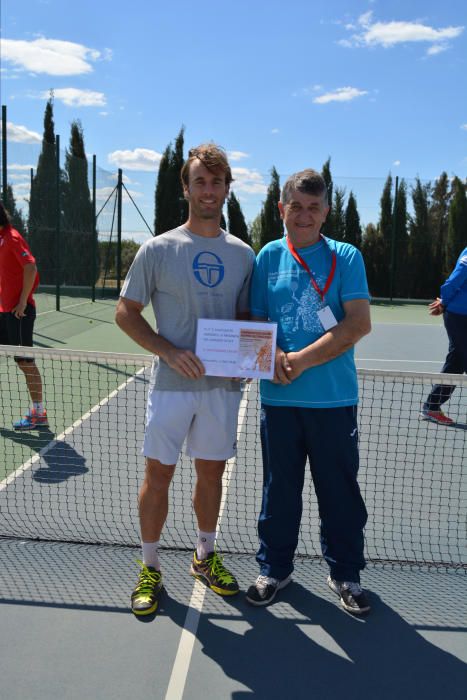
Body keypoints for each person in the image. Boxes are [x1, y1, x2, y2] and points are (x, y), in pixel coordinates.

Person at [115, 143, 255, 616]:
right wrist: (169, 351)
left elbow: (244, 321)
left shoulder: (242, 254)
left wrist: (248, 361)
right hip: (171, 388)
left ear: (227, 189)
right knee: (159, 475)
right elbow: (125, 312)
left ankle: (204, 556)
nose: (209, 190)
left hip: (221, 391)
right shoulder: (157, 249)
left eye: (217, 182)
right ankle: (149, 566)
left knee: (211, 473)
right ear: (187, 187)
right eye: (200, 181)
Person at [245, 169, 372, 615]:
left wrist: (298, 361)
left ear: (326, 211)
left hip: (333, 402)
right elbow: (256, 321)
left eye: (313, 207)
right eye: (295, 207)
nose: (303, 216)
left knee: (338, 491)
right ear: (282, 209)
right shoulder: (267, 257)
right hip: (278, 401)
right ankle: (274, 569)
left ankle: (346, 575)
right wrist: (276, 354)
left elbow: (358, 324)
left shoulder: (347, 256)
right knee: (279, 491)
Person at [0, 201, 48, 430]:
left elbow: (30, 267)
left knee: (25, 362)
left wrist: (21, 302)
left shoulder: (12, 237)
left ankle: (38, 413)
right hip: (3, 311)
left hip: (19, 312)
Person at [420, 247, 467, 425]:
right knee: (461, 359)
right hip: (459, 316)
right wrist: (444, 301)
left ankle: (432, 406)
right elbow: (455, 279)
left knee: (456, 362)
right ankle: (432, 406)